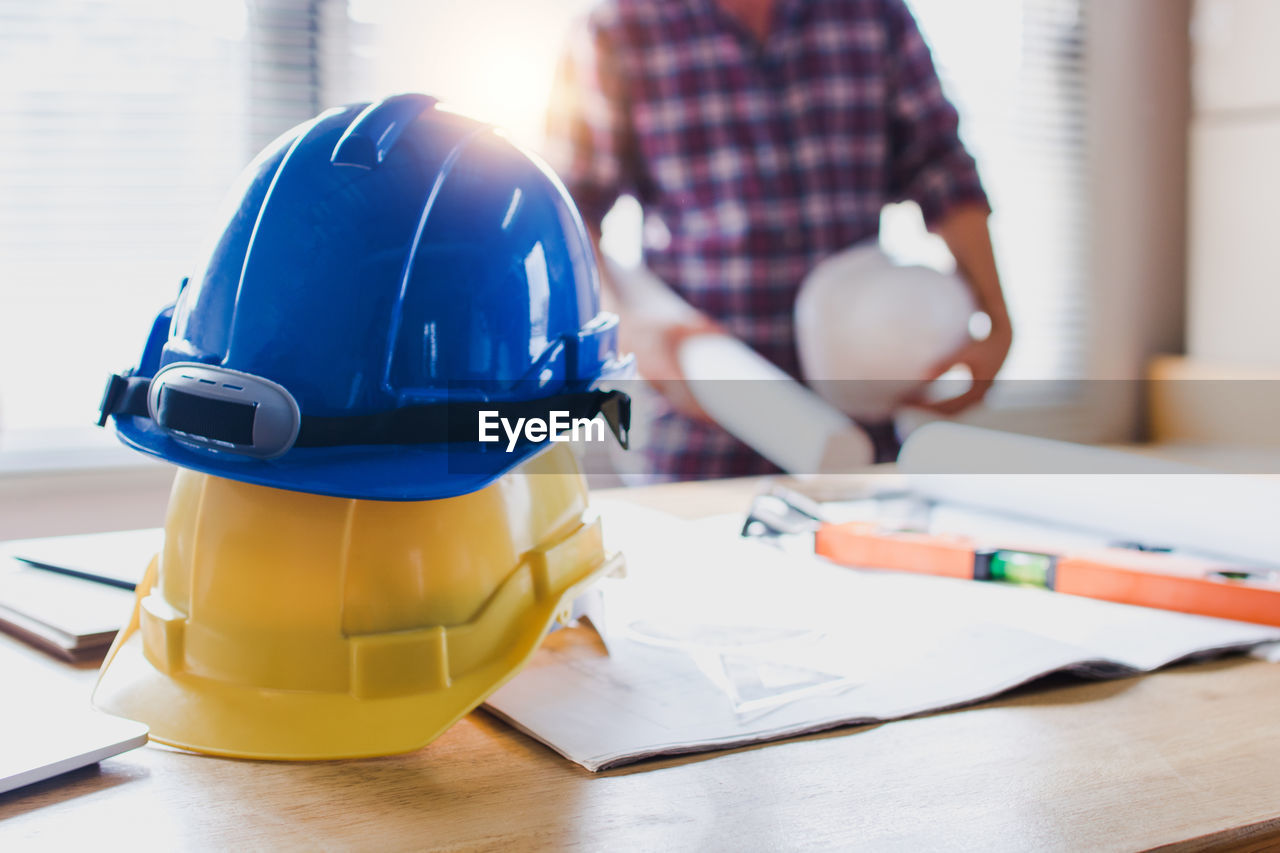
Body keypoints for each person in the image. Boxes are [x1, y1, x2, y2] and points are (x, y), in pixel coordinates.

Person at [546, 0, 1012, 479]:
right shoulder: (619, 28)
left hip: (857, 428)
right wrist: (630, 330)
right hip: (700, 434)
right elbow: (567, 215)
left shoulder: (875, 15)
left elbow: (942, 169)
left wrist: (996, 317)